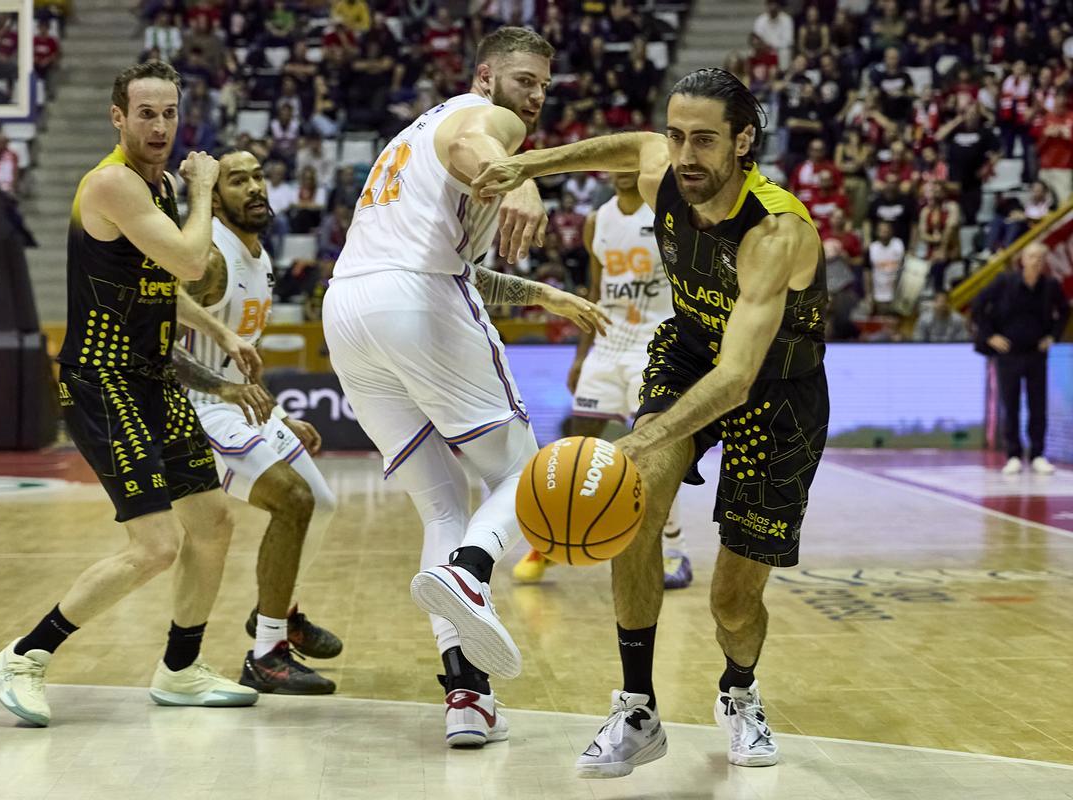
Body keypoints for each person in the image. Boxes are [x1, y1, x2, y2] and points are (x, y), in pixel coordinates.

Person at [473, 68, 829, 776]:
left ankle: (740, 691)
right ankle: (637, 707)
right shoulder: (662, 163)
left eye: (704, 140)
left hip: (776, 390)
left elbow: (739, 378)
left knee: (732, 602)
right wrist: (528, 164)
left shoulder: (776, 231)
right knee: (635, 497)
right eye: (678, 135)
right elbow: (623, 145)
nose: (685, 154)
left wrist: (638, 437)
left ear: (744, 141)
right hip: (689, 349)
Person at [321, 27, 609, 747]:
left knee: (443, 505)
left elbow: (447, 257)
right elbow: (477, 147)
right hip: (416, 303)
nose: (534, 96)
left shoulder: (411, 138)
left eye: (544, 85)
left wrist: (540, 293)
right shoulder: (483, 121)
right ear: (485, 76)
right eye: (522, 80)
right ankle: (477, 571)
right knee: (525, 473)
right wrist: (525, 177)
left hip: (349, 309)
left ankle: (465, 696)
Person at [0, 62, 261, 727]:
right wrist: (203, 190)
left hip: (151, 379)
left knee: (213, 522)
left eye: (169, 112)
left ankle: (181, 668)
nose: (160, 125)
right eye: (147, 113)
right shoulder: (112, 184)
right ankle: (25, 655)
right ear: (119, 117)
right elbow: (193, 262)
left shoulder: (158, 185)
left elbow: (162, 280)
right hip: (100, 380)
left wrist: (220, 330)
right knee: (156, 545)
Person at [171, 149, 342, 694]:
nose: (253, 188)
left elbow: (238, 360)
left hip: (238, 404)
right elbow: (156, 343)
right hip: (196, 410)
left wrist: (282, 415)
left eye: (259, 177)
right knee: (292, 501)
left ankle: (280, 610)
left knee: (323, 505)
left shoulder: (260, 257)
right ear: (215, 199)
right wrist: (223, 390)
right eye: (237, 181)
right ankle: (268, 651)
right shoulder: (212, 259)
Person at [512, 171, 692, 591]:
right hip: (607, 346)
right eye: (614, 158)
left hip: (655, 345)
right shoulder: (597, 220)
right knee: (575, 446)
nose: (623, 166)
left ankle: (675, 550)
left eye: (631, 156)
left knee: (658, 452)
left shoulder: (668, 212)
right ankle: (551, 542)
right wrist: (580, 357)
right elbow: (594, 292)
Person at [973, 242, 1069, 475]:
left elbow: (1065, 311)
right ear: (1022, 260)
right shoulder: (1005, 282)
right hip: (1009, 354)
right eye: (1032, 256)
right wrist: (990, 336)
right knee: (1011, 404)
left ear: (1045, 262)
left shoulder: (1050, 286)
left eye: (1040, 257)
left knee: (1038, 405)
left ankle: (1037, 454)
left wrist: (1052, 336)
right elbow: (977, 305)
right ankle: (1013, 454)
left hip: (1036, 353)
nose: (1036, 261)